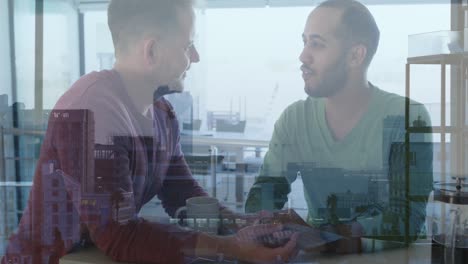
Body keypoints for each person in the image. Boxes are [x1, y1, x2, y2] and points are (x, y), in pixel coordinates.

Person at [1, 1, 298, 263]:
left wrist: (243, 225)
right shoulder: (88, 111)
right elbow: (121, 235)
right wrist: (232, 249)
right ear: (152, 50)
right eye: (187, 45)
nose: (195, 57)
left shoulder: (163, 114)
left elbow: (181, 195)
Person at [245, 0, 433, 253]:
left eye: (317, 44)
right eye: (305, 42)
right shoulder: (294, 120)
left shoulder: (407, 117)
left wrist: (323, 237)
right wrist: (269, 222)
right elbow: (264, 194)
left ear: (356, 55)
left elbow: (406, 220)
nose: (303, 56)